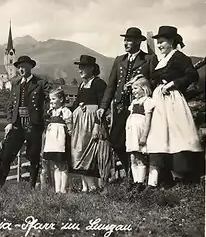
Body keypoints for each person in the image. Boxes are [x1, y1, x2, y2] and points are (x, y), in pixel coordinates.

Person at [96, 27, 159, 179]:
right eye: (125, 40)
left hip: (139, 108)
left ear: (139, 42)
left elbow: (154, 81)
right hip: (120, 107)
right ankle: (130, 173)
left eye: (129, 40)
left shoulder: (148, 59)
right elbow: (111, 85)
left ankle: (140, 179)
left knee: (138, 143)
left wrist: (138, 83)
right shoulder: (119, 60)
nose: (126, 43)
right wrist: (103, 107)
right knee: (117, 142)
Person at [147, 26, 203, 186]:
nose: (159, 46)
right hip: (159, 101)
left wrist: (174, 83)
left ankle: (181, 177)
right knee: (160, 135)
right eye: (158, 43)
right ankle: (162, 178)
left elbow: (193, 74)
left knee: (177, 134)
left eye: (162, 42)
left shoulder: (178, 57)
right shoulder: (160, 60)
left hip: (172, 101)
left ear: (171, 41)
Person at [0, 55, 51, 189]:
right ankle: (0, 185)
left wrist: (44, 116)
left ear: (30, 67)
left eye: (23, 67)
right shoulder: (15, 83)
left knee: (33, 156)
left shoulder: (40, 83)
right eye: (19, 67)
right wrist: (10, 122)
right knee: (5, 155)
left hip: (33, 124)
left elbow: (51, 99)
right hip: (16, 124)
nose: (21, 69)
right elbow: (10, 104)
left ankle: (32, 187)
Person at [69, 55, 107, 193]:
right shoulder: (81, 85)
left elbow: (103, 105)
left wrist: (97, 124)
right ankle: (86, 187)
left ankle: (94, 186)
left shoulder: (98, 83)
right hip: (81, 125)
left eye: (83, 67)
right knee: (79, 151)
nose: (80, 70)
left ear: (91, 68)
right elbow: (75, 104)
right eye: (79, 67)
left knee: (91, 153)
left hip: (92, 124)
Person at [124, 74, 156, 192]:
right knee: (133, 157)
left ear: (144, 88)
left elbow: (147, 121)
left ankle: (141, 182)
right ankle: (135, 181)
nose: (133, 91)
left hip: (140, 132)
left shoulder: (147, 101)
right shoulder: (133, 103)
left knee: (139, 157)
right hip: (131, 131)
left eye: (136, 88)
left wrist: (144, 136)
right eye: (132, 89)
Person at [41, 86, 72, 193]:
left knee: (62, 164)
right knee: (55, 165)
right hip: (52, 140)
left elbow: (69, 126)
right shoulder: (51, 112)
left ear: (61, 99)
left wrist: (70, 136)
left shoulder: (65, 111)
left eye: (54, 99)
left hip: (60, 140)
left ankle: (63, 189)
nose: (52, 102)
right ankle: (57, 189)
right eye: (50, 99)